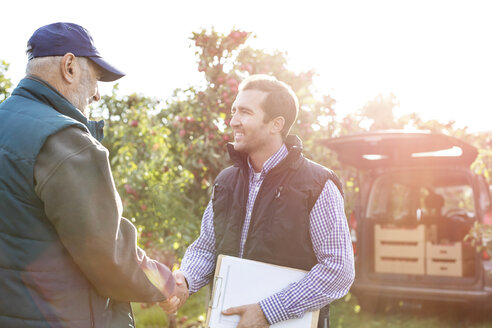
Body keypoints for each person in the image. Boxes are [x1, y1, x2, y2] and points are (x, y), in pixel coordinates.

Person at [0, 22, 185, 327]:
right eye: (97, 78)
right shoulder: (66, 140)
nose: (98, 94)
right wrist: (165, 283)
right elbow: (108, 255)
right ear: (69, 66)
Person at [161, 74, 355, 327]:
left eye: (245, 112)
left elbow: (338, 269)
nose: (233, 122)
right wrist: (185, 281)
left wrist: (269, 311)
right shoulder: (226, 182)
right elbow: (207, 247)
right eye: (233, 112)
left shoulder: (317, 185)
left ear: (275, 124)